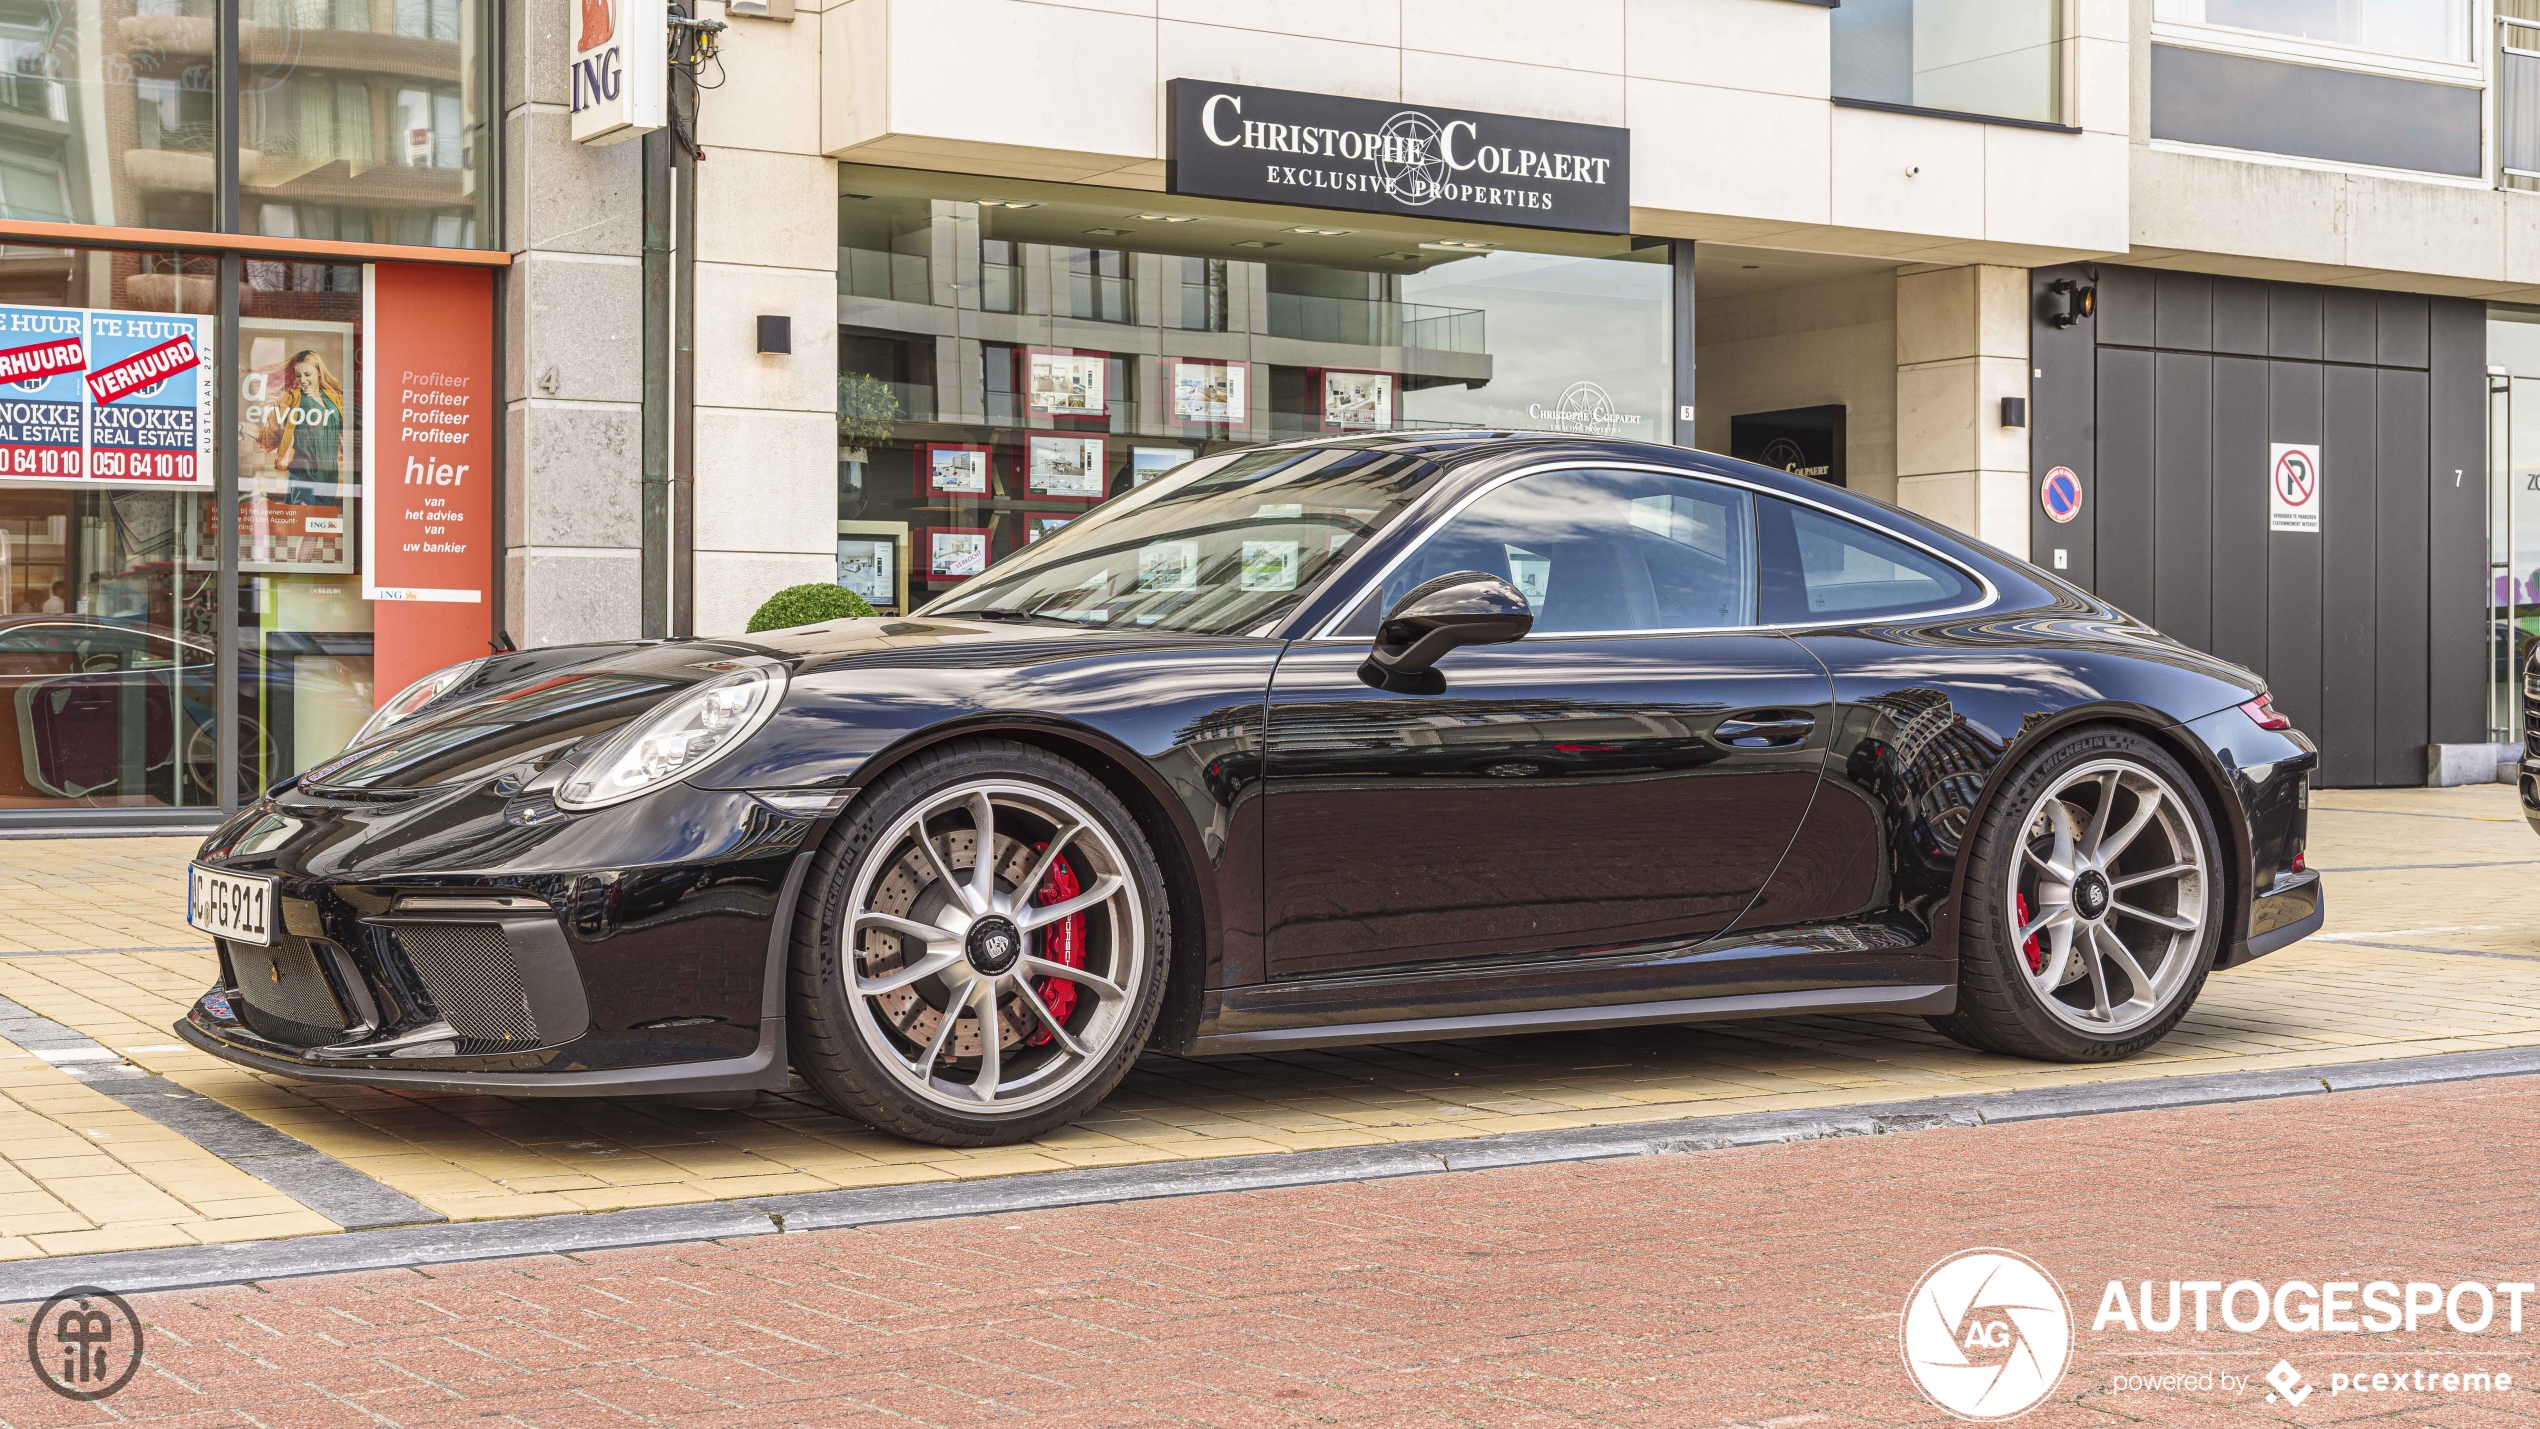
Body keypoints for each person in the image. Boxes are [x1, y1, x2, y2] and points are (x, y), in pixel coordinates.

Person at [262, 349, 345, 509]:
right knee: (310, 527)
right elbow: (270, 436)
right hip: (304, 473)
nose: (303, 380)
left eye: (307, 374)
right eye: (299, 375)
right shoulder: (294, 400)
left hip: (327, 474)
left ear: (319, 372)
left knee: (319, 528)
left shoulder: (332, 397)